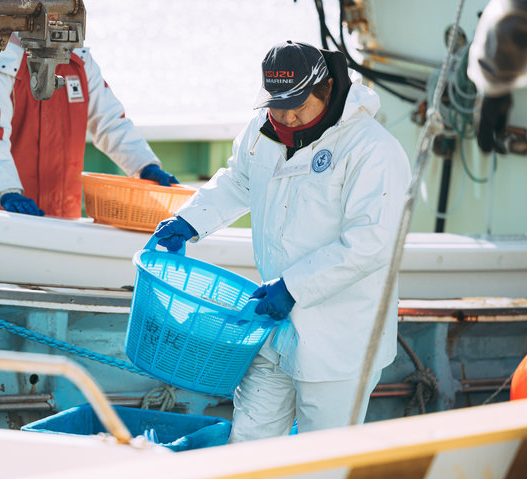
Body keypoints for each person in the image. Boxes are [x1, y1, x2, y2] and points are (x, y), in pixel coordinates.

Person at [154, 41, 411, 442]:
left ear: (326, 89)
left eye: (298, 105)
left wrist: (293, 287)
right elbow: (238, 180)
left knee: (323, 455)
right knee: (248, 441)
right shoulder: (263, 130)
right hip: (273, 327)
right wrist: (189, 220)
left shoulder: (372, 149)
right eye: (278, 106)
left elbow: (371, 242)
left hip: (340, 340)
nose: (287, 117)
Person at [0, 33, 178, 217]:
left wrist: (144, 165)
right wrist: (7, 191)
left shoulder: (81, 64)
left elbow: (111, 123)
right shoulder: (2, 64)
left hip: (64, 218)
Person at [467, 0, 527, 153]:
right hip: (495, 70)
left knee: (500, 104)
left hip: (496, 71)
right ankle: (489, 138)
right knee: (496, 106)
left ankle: (493, 136)